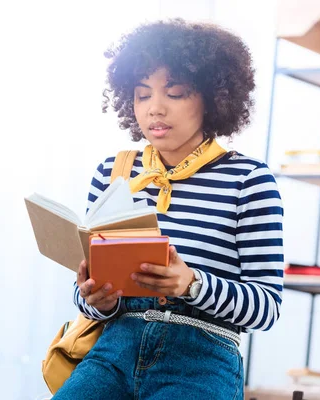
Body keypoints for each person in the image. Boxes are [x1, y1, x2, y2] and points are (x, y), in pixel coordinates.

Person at [53, 19, 284, 399]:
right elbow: (85, 294)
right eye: (143, 95)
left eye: (174, 93)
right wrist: (94, 298)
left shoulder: (249, 179)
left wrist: (191, 284)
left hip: (202, 359)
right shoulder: (114, 173)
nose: (155, 109)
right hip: (113, 353)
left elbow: (267, 308)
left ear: (212, 98)